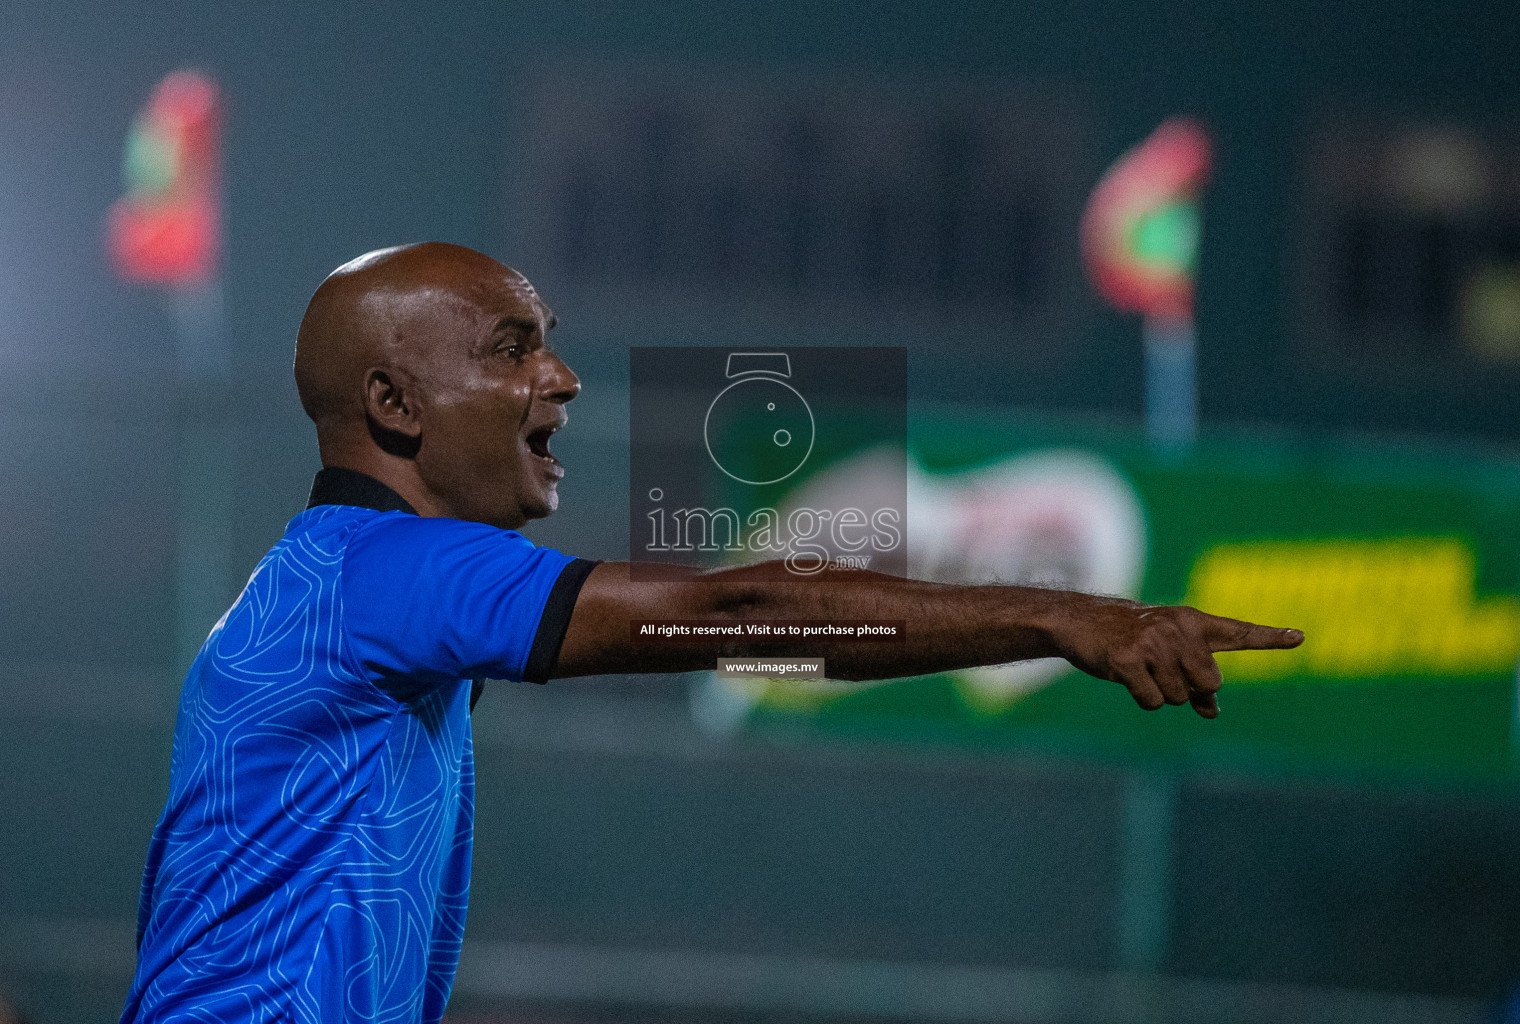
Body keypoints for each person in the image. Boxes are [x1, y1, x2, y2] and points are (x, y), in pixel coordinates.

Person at [121, 242, 1302, 1023]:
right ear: (392, 404)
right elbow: (738, 614)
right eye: (512, 347)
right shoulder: (385, 572)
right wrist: (1058, 613)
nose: (563, 376)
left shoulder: (335, 581)